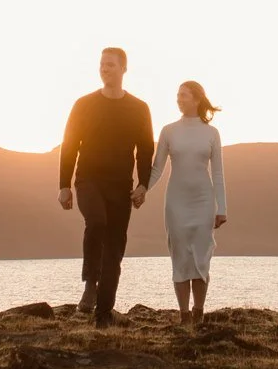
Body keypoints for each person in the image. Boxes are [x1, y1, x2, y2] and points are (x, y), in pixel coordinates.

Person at [57, 46, 154, 327]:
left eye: (110, 65)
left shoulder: (139, 108)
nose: (104, 69)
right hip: (88, 179)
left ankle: (103, 314)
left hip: (120, 185)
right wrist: (64, 185)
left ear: (124, 69)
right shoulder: (84, 104)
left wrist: (143, 184)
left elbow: (145, 151)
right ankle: (90, 284)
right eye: (102, 64)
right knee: (97, 222)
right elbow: (70, 145)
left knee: (115, 247)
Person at [142, 79, 228, 326]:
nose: (179, 99)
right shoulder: (169, 131)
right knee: (179, 255)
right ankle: (184, 315)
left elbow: (219, 172)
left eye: (184, 95)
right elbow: (157, 169)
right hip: (176, 202)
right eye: (178, 95)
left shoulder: (211, 133)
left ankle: (199, 312)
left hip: (203, 201)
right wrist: (141, 189)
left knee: (201, 257)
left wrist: (222, 208)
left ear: (197, 99)